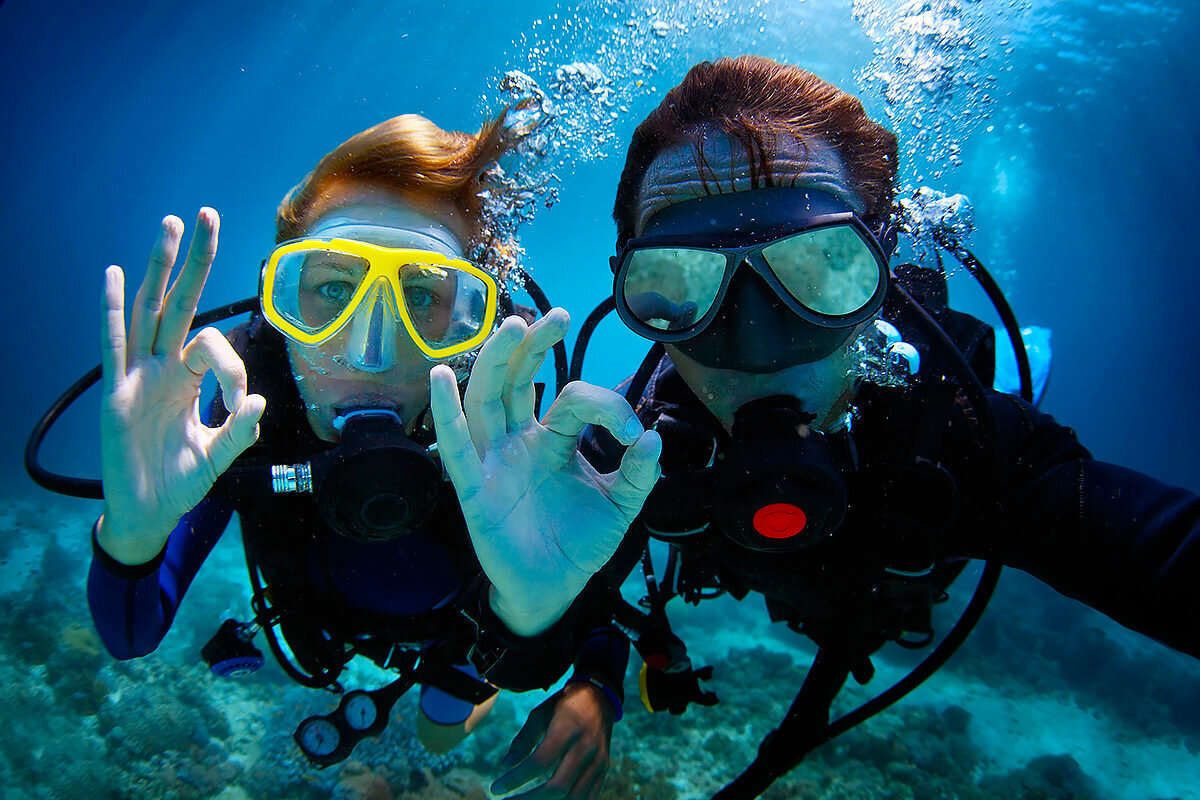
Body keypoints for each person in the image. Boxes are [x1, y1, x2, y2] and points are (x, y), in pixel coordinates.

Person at [581, 55, 1200, 797]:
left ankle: (1024, 358)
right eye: (677, 283)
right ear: (634, 293)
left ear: (879, 271)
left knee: (1001, 384)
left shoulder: (962, 439)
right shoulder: (628, 445)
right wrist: (581, 672)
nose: (756, 342)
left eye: (818, 267)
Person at [87, 110, 661, 798]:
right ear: (280, 307)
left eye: (421, 294)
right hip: (317, 635)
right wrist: (131, 534)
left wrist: (558, 649)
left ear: (470, 323)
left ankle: (449, 707)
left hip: (460, 644)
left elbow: (591, 593)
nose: (370, 351)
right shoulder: (242, 414)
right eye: (331, 289)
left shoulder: (504, 419)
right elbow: (131, 634)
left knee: (440, 727)